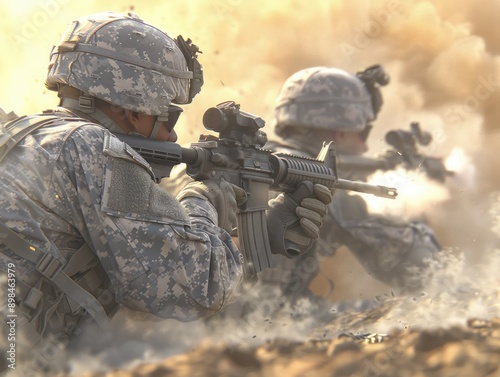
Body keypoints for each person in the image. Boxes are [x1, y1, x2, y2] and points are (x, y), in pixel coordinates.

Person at [0, 12, 333, 372]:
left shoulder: (22, 134)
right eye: (169, 117)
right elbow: (193, 288)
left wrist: (259, 236)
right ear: (129, 108)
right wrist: (201, 199)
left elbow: (141, 288)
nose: (173, 136)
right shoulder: (95, 149)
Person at [260, 66, 441, 302]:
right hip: (260, 325)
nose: (366, 147)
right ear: (340, 132)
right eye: (363, 132)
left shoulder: (261, 160)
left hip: (224, 318)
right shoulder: (322, 183)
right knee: (386, 312)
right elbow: (421, 270)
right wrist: (413, 203)